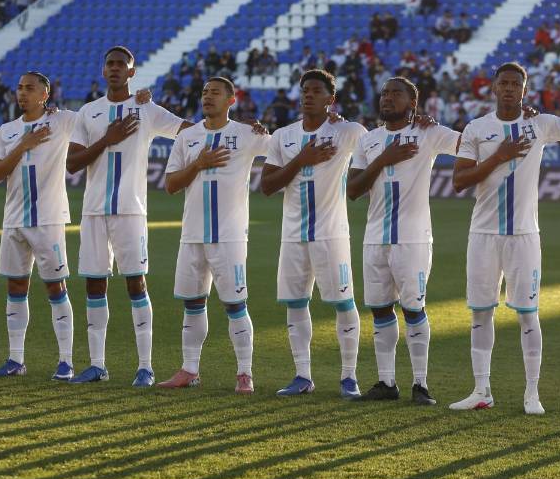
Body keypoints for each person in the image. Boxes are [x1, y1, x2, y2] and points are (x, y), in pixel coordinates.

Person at [450, 63, 560, 414]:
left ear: (525, 89)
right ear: (493, 88)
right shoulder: (477, 128)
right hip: (483, 234)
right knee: (480, 313)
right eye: (503, 83)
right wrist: (499, 157)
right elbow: (459, 181)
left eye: (515, 84)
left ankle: (531, 394)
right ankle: (481, 390)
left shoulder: (540, 124)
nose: (509, 89)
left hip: (524, 236)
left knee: (528, 314)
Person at [65, 47, 179, 386]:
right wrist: (108, 139)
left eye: (121, 65)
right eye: (110, 64)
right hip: (94, 210)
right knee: (94, 283)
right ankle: (97, 365)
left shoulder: (146, 108)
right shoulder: (88, 112)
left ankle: (145, 366)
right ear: (103, 71)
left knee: (135, 283)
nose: (115, 69)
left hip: (131, 210)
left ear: (132, 73)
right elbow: (73, 163)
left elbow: (191, 130)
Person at [346, 77, 460, 404]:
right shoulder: (369, 141)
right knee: (380, 309)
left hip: (413, 239)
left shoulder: (429, 132)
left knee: (414, 308)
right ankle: (386, 382)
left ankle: (421, 385)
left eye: (396, 93)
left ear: (413, 102)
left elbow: (470, 144)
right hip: (374, 238)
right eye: (384, 92)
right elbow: (353, 190)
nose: (387, 98)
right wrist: (385, 158)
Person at [157, 77, 270, 392]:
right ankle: (189, 369)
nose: (207, 96)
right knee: (193, 303)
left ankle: (244, 373)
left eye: (215, 92)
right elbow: (170, 185)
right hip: (192, 234)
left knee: (235, 304)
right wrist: (199, 164)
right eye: (204, 91)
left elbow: (284, 146)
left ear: (231, 100)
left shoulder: (247, 135)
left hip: (230, 236)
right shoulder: (188, 136)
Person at [260, 70, 367, 398]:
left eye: (316, 90)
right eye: (305, 89)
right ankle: (302, 375)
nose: (308, 95)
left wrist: (416, 123)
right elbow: (267, 186)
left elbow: (380, 142)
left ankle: (349, 376)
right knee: (295, 303)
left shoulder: (347, 131)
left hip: (331, 234)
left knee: (344, 302)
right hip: (292, 235)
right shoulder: (283, 136)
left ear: (330, 99)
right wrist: (301, 160)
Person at [0, 72, 77, 377]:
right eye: (20, 88)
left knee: (55, 287)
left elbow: (96, 118)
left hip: (48, 220)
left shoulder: (62, 122)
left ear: (45, 94)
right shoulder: (7, 131)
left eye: (30, 88)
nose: (22, 93)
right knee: (15, 286)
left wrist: (137, 102)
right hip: (14, 220)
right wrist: (23, 145)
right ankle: (15, 360)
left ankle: (65, 361)